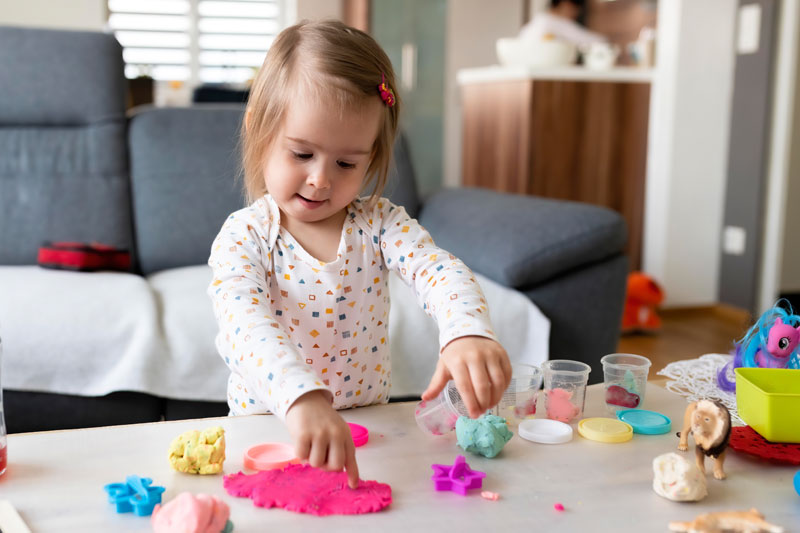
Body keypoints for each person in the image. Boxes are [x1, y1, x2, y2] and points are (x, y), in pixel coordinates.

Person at [207, 20, 511, 489]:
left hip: (369, 432)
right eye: (301, 154)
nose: (321, 179)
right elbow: (243, 326)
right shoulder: (244, 235)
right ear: (259, 128)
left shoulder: (380, 224)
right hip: (271, 429)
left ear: (372, 157)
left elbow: (439, 270)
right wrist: (302, 400)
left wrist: (464, 331)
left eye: (346, 163)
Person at [520, 0, 606, 46]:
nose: (575, 16)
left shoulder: (535, 22)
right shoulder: (554, 23)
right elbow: (599, 41)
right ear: (566, 4)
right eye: (575, 11)